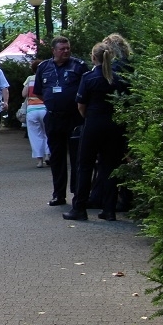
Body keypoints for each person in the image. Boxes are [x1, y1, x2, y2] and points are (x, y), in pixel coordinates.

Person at [63, 43, 129, 221]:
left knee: (85, 165)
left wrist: (88, 118)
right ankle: (109, 209)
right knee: (109, 167)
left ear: (93, 57)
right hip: (114, 125)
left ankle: (79, 208)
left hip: (93, 123)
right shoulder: (118, 79)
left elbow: (81, 105)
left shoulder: (89, 77)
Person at [34, 36, 89, 206]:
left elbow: (86, 91)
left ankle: (77, 194)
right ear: (53, 50)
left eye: (68, 48)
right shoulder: (44, 67)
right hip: (53, 117)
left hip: (74, 118)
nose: (66, 51)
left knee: (77, 158)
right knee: (57, 158)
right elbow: (38, 91)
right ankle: (58, 194)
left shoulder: (78, 66)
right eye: (62, 49)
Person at [22, 59, 49, 168]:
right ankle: (48, 155)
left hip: (32, 110)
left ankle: (39, 160)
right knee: (48, 134)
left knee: (35, 135)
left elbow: (24, 94)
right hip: (45, 109)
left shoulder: (30, 79)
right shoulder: (46, 79)